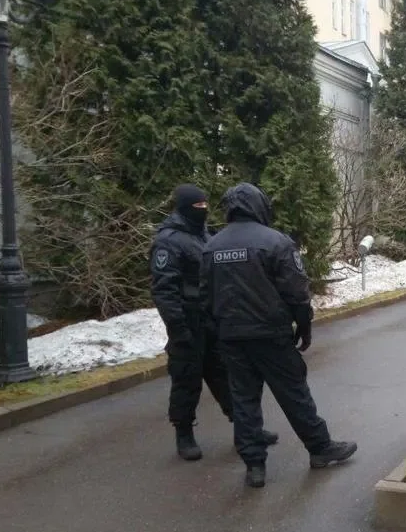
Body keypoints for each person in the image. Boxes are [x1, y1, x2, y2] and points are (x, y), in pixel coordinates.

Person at [201, 182, 357, 488]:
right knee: (293, 392)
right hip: (270, 334)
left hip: (231, 336)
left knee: (243, 399)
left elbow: (205, 295)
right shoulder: (275, 242)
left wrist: (219, 329)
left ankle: (254, 465)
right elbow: (296, 291)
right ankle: (320, 448)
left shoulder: (212, 246)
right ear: (259, 205)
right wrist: (304, 325)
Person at [150, 184, 278, 461]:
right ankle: (184, 433)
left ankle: (246, 431)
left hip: (213, 319)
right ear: (184, 207)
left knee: (228, 378)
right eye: (198, 206)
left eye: (206, 205)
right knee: (186, 379)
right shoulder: (168, 241)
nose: (204, 210)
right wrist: (178, 328)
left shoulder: (206, 234)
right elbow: (164, 290)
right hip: (187, 321)